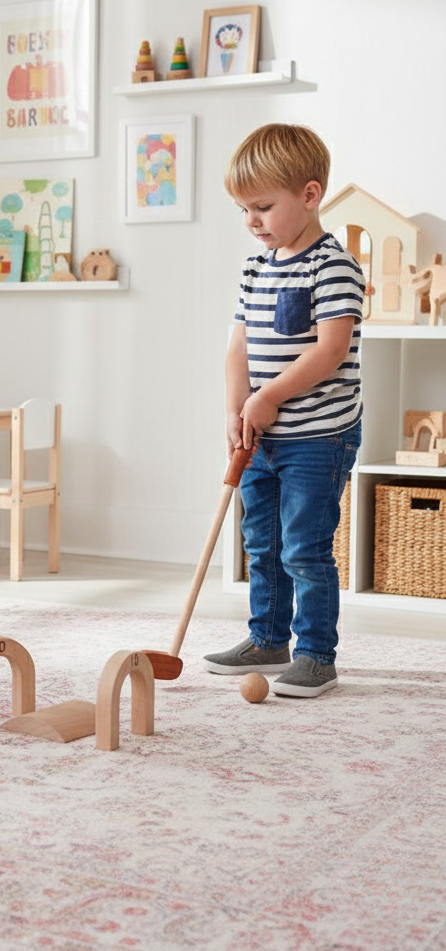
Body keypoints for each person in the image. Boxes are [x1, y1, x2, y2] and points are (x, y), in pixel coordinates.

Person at [203, 124, 364, 697]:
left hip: (318, 437)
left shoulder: (333, 266)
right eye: (244, 209)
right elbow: (238, 348)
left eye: (264, 207)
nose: (252, 220)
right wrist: (236, 409)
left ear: (310, 194)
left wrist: (268, 396)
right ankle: (268, 638)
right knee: (262, 543)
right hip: (261, 437)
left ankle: (317, 654)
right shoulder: (256, 268)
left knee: (303, 548)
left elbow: (330, 350)